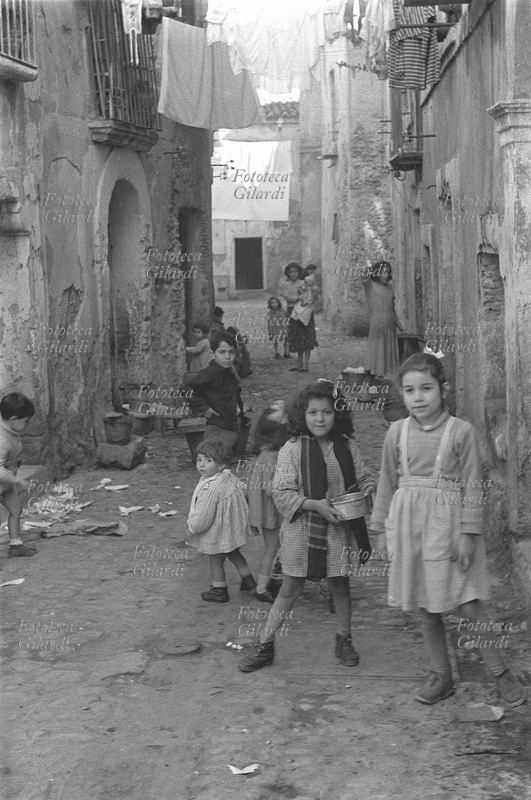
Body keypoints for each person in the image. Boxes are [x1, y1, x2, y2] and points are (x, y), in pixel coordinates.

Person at [369, 352, 526, 707]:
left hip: (448, 528)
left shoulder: (461, 432)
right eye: (410, 390)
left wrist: (469, 534)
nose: (418, 397)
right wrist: (380, 529)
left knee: (467, 603)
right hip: (409, 528)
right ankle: (442, 675)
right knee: (426, 606)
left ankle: (500, 672)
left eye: (426, 388)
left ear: (444, 389)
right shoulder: (396, 433)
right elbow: (386, 482)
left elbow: (474, 485)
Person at [239, 380, 376, 672]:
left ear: (338, 413)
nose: (320, 419)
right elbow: (282, 492)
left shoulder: (347, 447)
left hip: (338, 530)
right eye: (313, 412)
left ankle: (344, 639)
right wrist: (314, 504)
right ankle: (265, 644)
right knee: (289, 589)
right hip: (302, 531)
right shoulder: (291, 450)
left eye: (327, 412)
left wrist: (367, 488)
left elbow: (363, 475)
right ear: (302, 414)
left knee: (340, 586)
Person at [187, 438, 256, 602]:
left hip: (218, 532)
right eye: (199, 460)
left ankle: (219, 589)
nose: (202, 465)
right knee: (234, 552)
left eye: (208, 461)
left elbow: (203, 517)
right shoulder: (229, 477)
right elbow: (244, 491)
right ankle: (248, 580)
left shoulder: (210, 489)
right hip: (231, 530)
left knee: (215, 561)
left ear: (221, 465)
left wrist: (192, 529)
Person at [245, 401, 290, 603]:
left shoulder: (261, 453)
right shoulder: (273, 456)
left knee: (276, 547)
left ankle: (274, 579)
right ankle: (262, 588)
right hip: (272, 511)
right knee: (272, 549)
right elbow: (270, 487)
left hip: (264, 510)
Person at [182, 330, 244, 457]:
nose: (227, 357)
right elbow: (186, 388)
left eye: (231, 352)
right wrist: (204, 408)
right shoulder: (210, 373)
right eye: (222, 352)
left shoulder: (229, 372)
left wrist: (239, 408)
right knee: (214, 458)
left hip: (231, 424)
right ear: (212, 353)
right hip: (218, 427)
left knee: (224, 459)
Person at [0, 393, 36, 557]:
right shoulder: (2, 440)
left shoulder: (11, 433)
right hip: (5, 482)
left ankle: (16, 545)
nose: (27, 424)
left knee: (16, 509)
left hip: (4, 486)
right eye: (26, 421)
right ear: (14, 419)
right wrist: (17, 480)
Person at [361, 261, 404, 378]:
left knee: (388, 356)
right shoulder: (370, 286)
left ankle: (386, 381)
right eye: (383, 272)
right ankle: (375, 380)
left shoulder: (390, 288)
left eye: (387, 272)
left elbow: (392, 310)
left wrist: (400, 327)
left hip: (390, 326)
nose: (385, 275)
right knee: (378, 354)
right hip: (378, 325)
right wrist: (369, 267)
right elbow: (363, 275)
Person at [288, 274, 320, 372]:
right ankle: (299, 363)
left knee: (307, 340)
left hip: (307, 315)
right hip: (298, 315)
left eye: (307, 282)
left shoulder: (313, 290)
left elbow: (313, 299)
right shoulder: (302, 288)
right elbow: (299, 295)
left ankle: (306, 364)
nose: (305, 283)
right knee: (299, 340)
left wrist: (310, 298)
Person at [278, 263, 304, 358]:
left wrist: (299, 298)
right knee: (290, 331)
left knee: (302, 331)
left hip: (302, 309)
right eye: (291, 272)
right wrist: (298, 298)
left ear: (299, 272)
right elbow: (286, 296)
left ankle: (302, 352)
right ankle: (288, 350)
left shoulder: (303, 283)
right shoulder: (285, 285)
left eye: (295, 271)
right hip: (291, 309)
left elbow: (305, 296)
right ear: (287, 273)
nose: (293, 274)